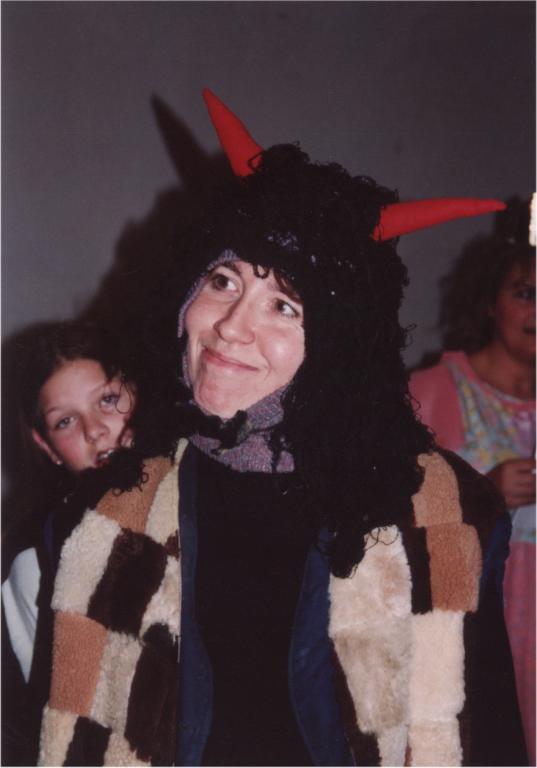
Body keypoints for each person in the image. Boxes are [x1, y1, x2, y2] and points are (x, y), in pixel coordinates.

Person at [38, 90, 526, 767]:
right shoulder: (100, 520)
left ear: (338, 343)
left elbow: (493, 742)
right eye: (223, 281)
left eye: (284, 306)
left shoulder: (448, 515)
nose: (231, 327)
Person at [409, 227, 536, 765]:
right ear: (489, 302)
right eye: (526, 293)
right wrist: (484, 495)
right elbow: (389, 523)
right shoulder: (433, 390)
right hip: (480, 626)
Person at [2, 320, 137, 765]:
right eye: (65, 421)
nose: (95, 430)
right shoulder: (35, 559)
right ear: (47, 446)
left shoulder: (198, 495)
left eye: (108, 400)